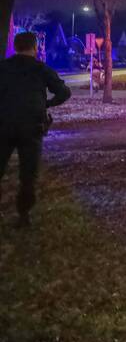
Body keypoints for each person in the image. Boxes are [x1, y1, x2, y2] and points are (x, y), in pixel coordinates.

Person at [0, 31, 71, 228]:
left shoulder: (3, 68)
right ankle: (24, 216)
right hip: (32, 126)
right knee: (28, 174)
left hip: (3, 125)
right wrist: (46, 104)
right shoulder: (41, 69)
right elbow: (64, 92)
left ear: (15, 46)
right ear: (35, 47)